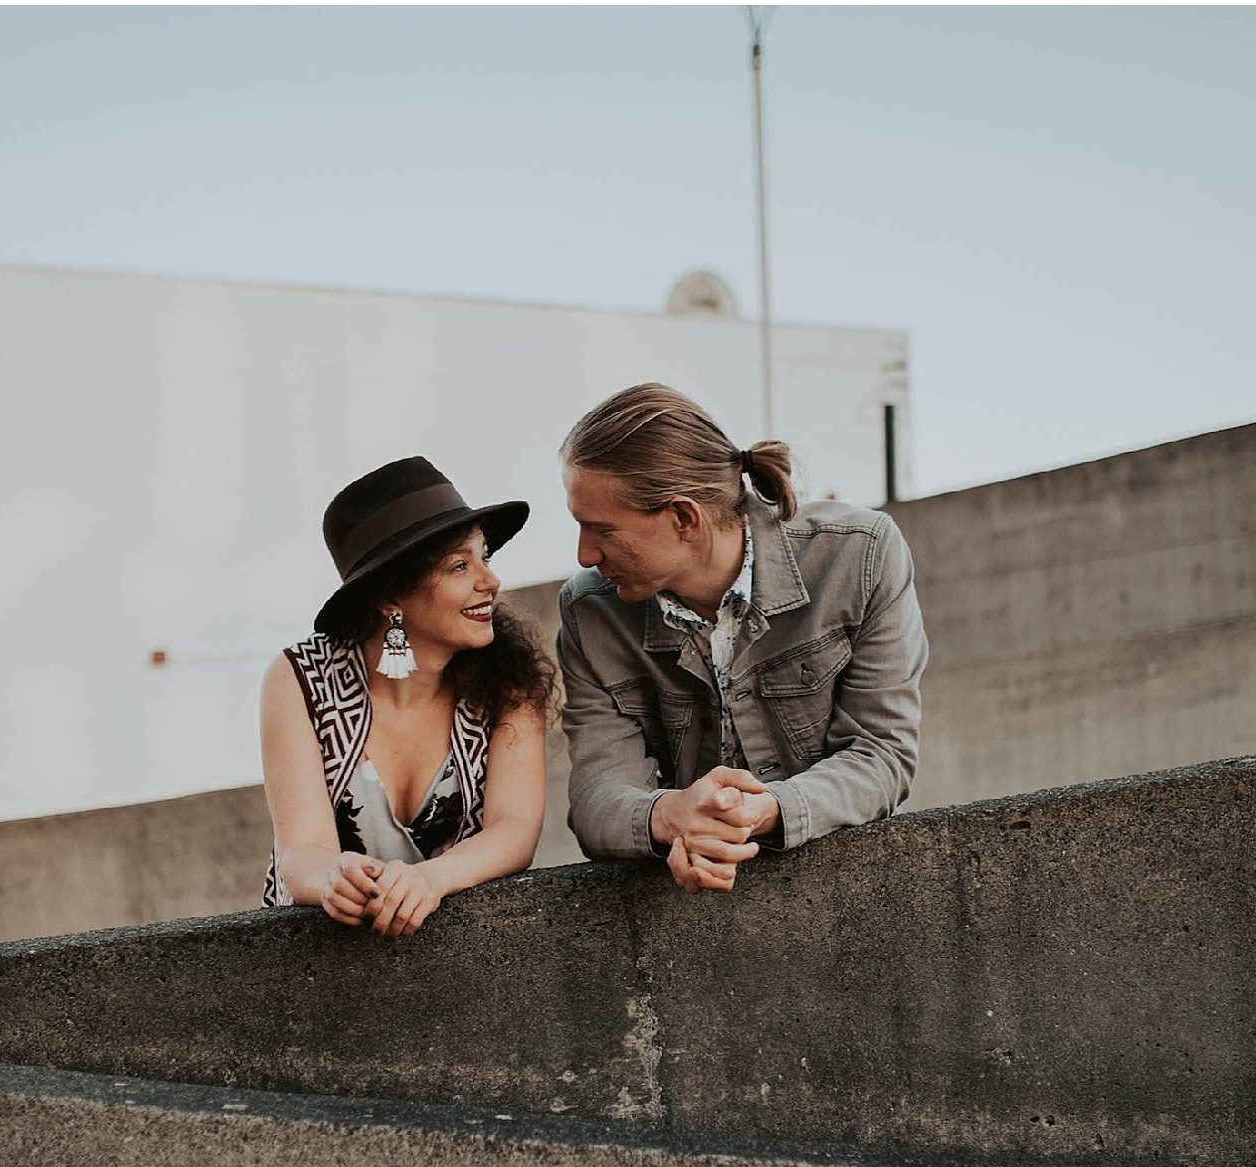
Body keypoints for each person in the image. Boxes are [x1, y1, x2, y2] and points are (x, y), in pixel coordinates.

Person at [556, 383, 928, 894]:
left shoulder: (858, 557)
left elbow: (881, 754)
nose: (584, 555)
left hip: (848, 897)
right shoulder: (589, 611)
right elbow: (596, 797)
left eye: (601, 529)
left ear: (683, 517)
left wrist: (761, 812)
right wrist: (673, 817)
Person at [260, 456, 555, 936]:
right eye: (460, 565)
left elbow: (515, 828)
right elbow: (300, 852)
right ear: (390, 598)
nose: (490, 580)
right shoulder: (298, 680)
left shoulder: (511, 680)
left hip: (460, 958)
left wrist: (427, 881)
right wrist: (333, 879)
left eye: (486, 556)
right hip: (312, 964)